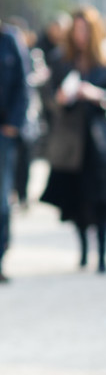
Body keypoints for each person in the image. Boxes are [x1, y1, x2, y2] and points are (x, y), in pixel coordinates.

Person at [41, 7, 106, 273]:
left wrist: (95, 94)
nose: (81, 34)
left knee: (101, 198)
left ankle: (101, 255)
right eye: (77, 29)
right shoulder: (60, 59)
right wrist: (60, 100)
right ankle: (83, 251)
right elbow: (49, 100)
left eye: (85, 29)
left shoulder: (105, 59)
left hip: (99, 141)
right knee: (76, 199)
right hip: (71, 141)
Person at [0, 21, 28, 282]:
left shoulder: (10, 41)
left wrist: (13, 125)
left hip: (3, 134)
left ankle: (0, 257)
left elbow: (23, 85)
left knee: (2, 201)